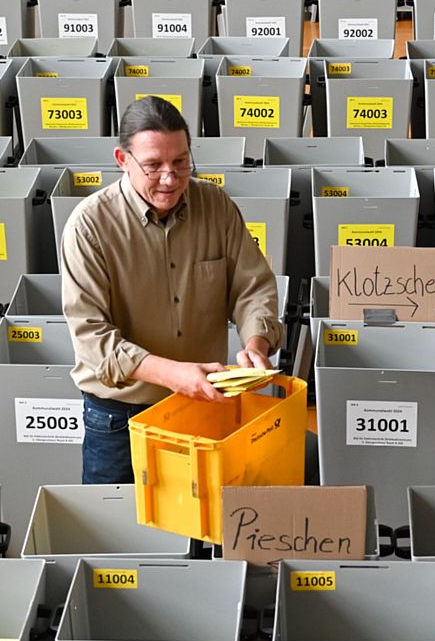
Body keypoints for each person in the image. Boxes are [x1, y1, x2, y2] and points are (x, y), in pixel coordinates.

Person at [60, 96, 283, 484]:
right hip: (119, 420)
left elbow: (252, 287)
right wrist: (173, 374)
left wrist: (257, 344)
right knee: (121, 537)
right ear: (122, 159)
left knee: (199, 532)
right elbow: (93, 340)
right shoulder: (88, 226)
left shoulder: (215, 205)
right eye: (153, 166)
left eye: (181, 162)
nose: (170, 178)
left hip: (201, 407)